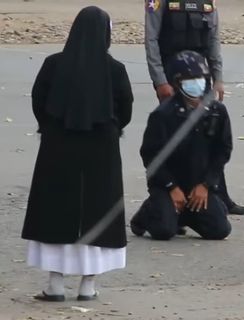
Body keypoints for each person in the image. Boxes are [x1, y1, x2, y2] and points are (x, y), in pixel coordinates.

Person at [21, 6, 133, 301]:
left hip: (58, 148)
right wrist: (108, 129)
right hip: (102, 152)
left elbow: (39, 102)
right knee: (97, 213)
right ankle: (88, 286)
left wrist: (53, 127)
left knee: (55, 213)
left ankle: (55, 284)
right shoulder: (115, 70)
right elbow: (125, 109)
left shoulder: (53, 64)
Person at [144, 0, 244, 215]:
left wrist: (218, 77)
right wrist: (160, 80)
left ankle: (219, 194)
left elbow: (213, 39)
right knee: (173, 139)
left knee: (210, 135)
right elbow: (151, 39)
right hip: (173, 77)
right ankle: (167, 196)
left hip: (200, 77)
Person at [130, 50, 232, 241]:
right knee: (163, 231)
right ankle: (148, 212)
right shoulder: (162, 115)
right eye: (189, 79)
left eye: (200, 78)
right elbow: (150, 156)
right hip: (168, 184)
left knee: (219, 230)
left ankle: (187, 215)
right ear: (177, 83)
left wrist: (206, 184)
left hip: (198, 183)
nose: (197, 83)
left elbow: (223, 150)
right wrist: (171, 187)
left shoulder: (217, 111)